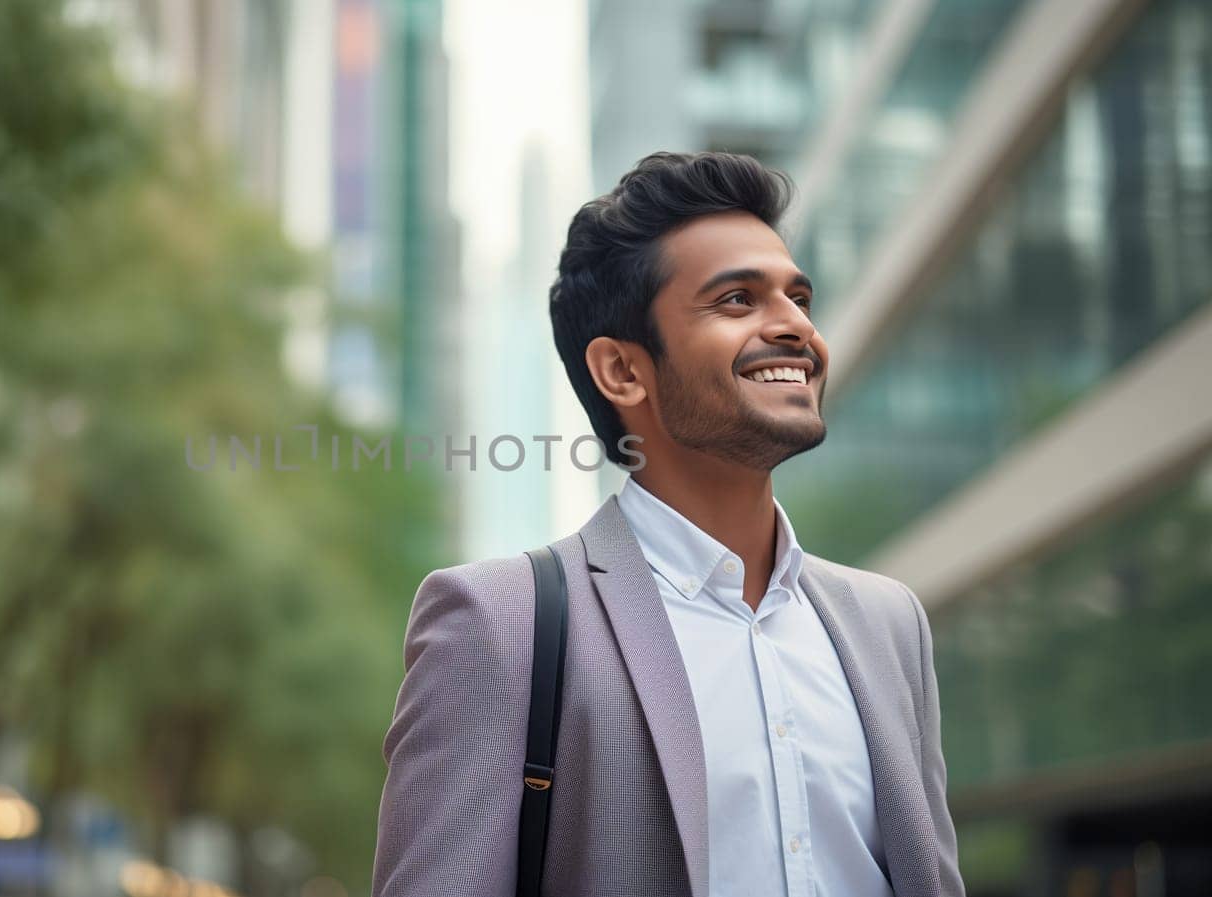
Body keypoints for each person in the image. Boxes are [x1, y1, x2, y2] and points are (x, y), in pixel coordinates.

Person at [370, 151, 964, 897]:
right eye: (738, 301)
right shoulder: (500, 623)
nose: (795, 327)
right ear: (622, 370)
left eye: (799, 297)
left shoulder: (889, 624)